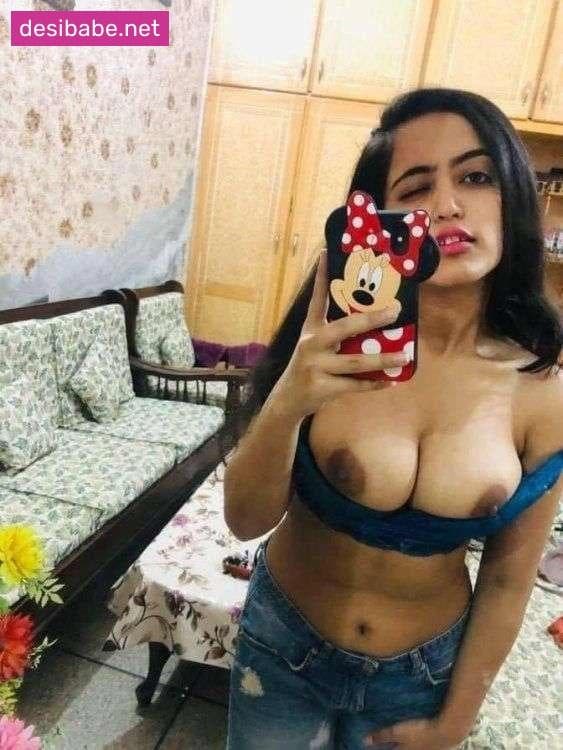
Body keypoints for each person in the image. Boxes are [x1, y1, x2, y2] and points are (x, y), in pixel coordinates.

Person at [223, 87, 563, 750]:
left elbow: (505, 578)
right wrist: (289, 397)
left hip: (420, 675)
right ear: (375, 220)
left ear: (513, 197)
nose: (446, 205)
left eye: (475, 177)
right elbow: (244, 519)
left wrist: (454, 723)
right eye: (415, 187)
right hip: (283, 644)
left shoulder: (542, 390)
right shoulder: (334, 343)